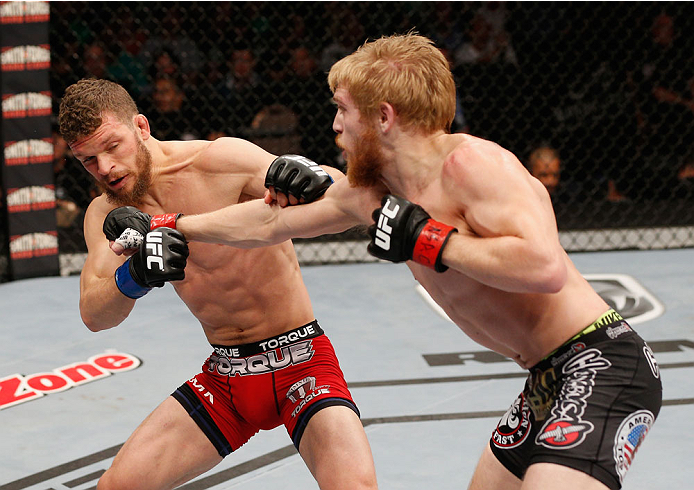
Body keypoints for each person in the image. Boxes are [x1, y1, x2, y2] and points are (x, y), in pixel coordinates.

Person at [112, 33, 662, 490]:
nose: (334, 127)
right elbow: (266, 223)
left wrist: (431, 240)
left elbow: (543, 267)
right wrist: (169, 227)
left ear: (383, 116)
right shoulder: (372, 191)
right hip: (545, 376)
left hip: (602, 363)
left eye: (342, 112)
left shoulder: (473, 165)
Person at [57, 78, 378, 490]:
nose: (105, 168)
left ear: (140, 126)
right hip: (226, 381)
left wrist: (315, 172)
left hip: (302, 363)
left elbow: (333, 194)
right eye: (88, 160)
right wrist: (133, 277)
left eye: (112, 146)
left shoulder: (219, 160)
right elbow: (94, 314)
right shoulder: (107, 212)